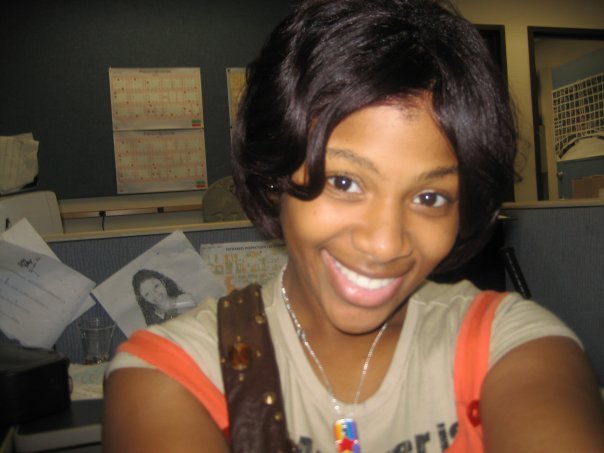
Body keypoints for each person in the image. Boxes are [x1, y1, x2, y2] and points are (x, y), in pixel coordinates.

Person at [103, 0, 604, 451]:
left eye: (430, 197)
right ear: (277, 175)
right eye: (344, 182)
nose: (384, 244)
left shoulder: (512, 344)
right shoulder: (171, 372)